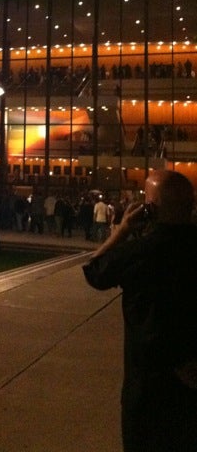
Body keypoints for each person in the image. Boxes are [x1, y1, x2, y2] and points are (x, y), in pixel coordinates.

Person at [83, 170, 197, 452]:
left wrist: (122, 230)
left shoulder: (142, 252)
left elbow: (95, 270)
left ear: (150, 208)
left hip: (148, 386)